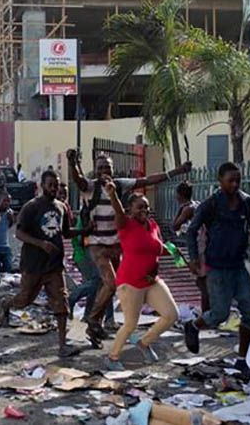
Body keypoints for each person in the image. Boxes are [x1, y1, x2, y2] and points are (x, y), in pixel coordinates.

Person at [67, 148, 192, 346]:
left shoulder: (120, 185)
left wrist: (177, 171)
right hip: (97, 245)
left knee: (115, 286)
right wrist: (72, 162)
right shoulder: (90, 186)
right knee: (110, 283)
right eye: (100, 168)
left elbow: (148, 180)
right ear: (95, 170)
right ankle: (92, 320)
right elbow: (78, 179)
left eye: (107, 168)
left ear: (113, 170)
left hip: (116, 244)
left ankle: (97, 325)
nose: (104, 171)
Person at [183, 162, 250, 375]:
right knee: (219, 314)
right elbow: (192, 230)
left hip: (238, 266)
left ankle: (241, 360)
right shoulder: (211, 204)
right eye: (230, 181)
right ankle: (193, 326)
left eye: (238, 180)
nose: (235, 184)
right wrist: (193, 258)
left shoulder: (246, 202)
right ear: (220, 181)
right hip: (217, 267)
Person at [0, 170, 84, 358]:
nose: (54, 189)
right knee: (25, 299)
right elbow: (19, 233)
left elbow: (66, 232)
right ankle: (6, 304)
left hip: (54, 265)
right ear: (42, 185)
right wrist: (41, 244)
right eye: (50, 185)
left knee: (61, 302)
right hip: (33, 264)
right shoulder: (31, 207)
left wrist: (84, 230)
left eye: (56, 185)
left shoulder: (61, 207)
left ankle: (62, 345)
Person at [103, 185, 179, 370]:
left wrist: (175, 256)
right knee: (130, 324)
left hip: (151, 281)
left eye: (146, 207)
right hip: (130, 283)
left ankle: (144, 343)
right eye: (139, 207)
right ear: (130, 210)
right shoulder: (126, 224)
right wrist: (113, 195)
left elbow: (158, 249)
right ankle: (112, 357)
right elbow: (118, 211)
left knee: (171, 315)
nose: (144, 210)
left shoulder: (153, 225)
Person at [172, 181, 208, 312]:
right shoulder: (196, 204)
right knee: (201, 280)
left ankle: (206, 314)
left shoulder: (187, 209)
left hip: (199, 246)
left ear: (179, 195)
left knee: (202, 282)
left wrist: (180, 209)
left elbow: (175, 226)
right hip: (200, 244)